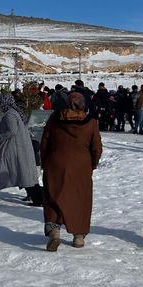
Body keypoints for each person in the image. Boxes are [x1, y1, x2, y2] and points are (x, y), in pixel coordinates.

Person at [40, 92, 102, 252]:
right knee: (80, 199)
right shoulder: (91, 122)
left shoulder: (55, 119)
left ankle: (54, 231)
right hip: (81, 166)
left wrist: (45, 162)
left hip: (56, 162)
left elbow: (45, 141)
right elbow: (96, 148)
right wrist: (91, 165)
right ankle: (78, 236)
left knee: (54, 196)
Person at [0, 94, 44, 206]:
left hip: (12, 149)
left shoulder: (10, 114)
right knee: (24, 175)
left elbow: (12, 131)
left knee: (1, 169)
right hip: (18, 148)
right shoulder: (15, 112)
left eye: (0, 103)